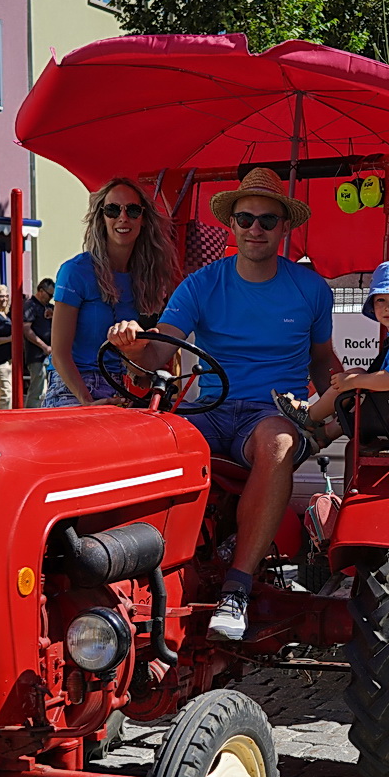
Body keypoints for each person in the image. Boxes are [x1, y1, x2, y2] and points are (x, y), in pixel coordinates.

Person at [110, 166, 341, 640]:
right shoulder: (199, 284)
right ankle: (139, 576)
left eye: (267, 221)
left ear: (284, 228)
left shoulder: (311, 289)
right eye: (246, 219)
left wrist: (345, 399)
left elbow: (322, 362)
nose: (255, 228)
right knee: (148, 441)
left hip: (272, 411)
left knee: (276, 441)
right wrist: (133, 347)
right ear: (231, 225)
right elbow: (159, 353)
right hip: (209, 410)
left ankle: (235, 590)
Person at [46, 178, 178, 407]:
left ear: (143, 219)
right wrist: (88, 403)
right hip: (71, 389)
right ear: (101, 217)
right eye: (113, 210)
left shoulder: (145, 277)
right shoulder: (75, 271)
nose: (123, 217)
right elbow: (59, 354)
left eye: (133, 210)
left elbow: (134, 362)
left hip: (117, 388)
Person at [275, 258, 389, 443]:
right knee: (355, 388)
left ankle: (311, 415)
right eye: (381, 299)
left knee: (355, 377)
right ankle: (325, 433)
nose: (388, 307)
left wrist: (354, 381)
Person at [23, 277, 55, 406]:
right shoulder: (30, 306)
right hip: (36, 354)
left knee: (50, 388)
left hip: (51, 353)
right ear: (41, 291)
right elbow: (26, 329)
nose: (50, 298)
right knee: (38, 387)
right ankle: (30, 414)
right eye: (49, 295)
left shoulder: (49, 307)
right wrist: (44, 346)